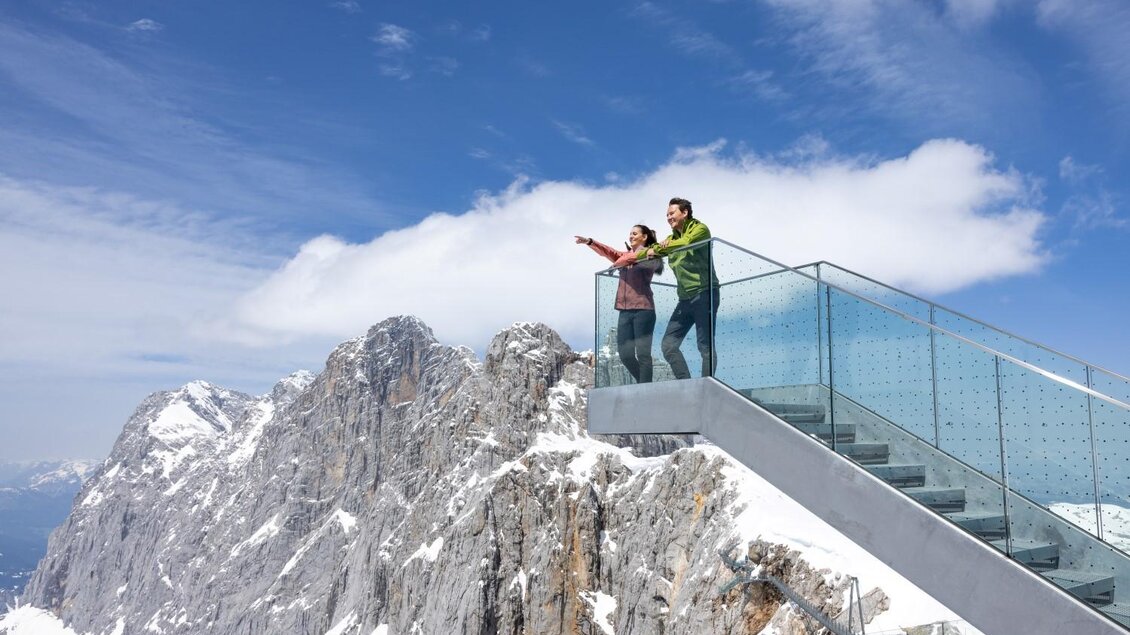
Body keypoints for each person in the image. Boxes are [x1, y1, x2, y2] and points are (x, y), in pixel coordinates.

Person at [639, 197, 719, 379]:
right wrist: (652, 250)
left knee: (704, 345)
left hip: (705, 293)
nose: (668, 217)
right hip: (684, 299)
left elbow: (686, 242)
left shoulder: (700, 229)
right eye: (666, 214)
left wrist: (661, 247)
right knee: (668, 345)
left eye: (672, 213)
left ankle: (707, 384)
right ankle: (687, 384)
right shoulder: (670, 239)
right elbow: (646, 252)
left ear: (685, 213)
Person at [575, 226, 664, 383]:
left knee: (643, 354)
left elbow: (640, 258)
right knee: (625, 355)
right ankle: (644, 383)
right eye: (630, 234)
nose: (631, 236)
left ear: (644, 237)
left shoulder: (651, 254)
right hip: (624, 311)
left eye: (634, 234)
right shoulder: (624, 256)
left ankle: (645, 389)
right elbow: (609, 252)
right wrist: (590, 242)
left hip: (644, 309)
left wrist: (619, 263)